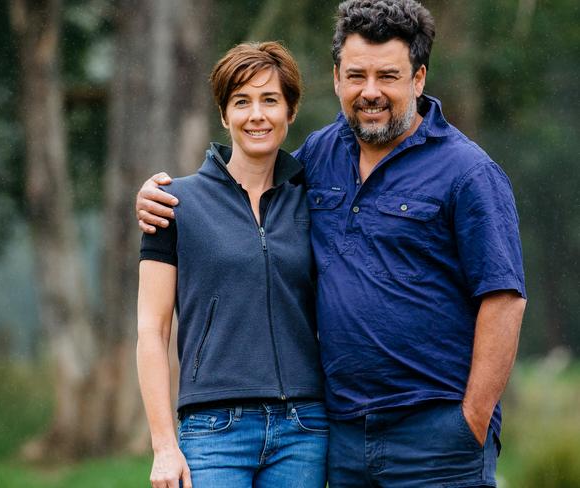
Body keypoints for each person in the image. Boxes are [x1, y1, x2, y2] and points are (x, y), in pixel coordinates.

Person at [136, 1, 527, 486]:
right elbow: (250, 182)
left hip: (435, 432)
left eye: (388, 76)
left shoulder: (468, 173)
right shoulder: (319, 156)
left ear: (419, 78)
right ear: (337, 77)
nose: (370, 92)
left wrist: (471, 418)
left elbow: (504, 299)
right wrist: (158, 195)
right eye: (356, 75)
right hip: (342, 436)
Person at [136, 41, 328, 488]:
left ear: (291, 111)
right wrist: (164, 445)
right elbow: (152, 329)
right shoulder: (173, 204)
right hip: (213, 429)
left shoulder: (317, 202)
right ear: (224, 115)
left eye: (270, 100)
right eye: (241, 101)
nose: (256, 115)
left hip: (305, 428)